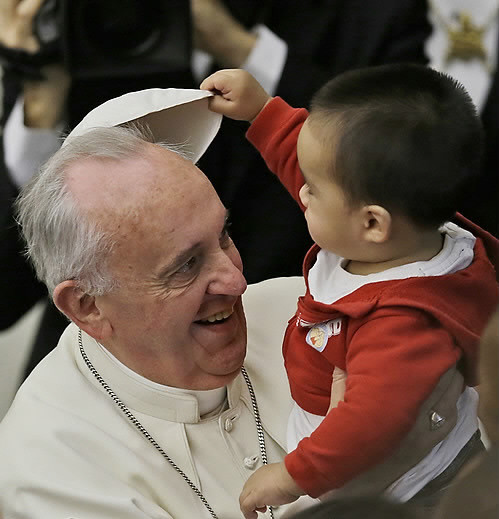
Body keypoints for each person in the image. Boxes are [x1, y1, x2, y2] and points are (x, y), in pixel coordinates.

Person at [0, 0, 432, 380]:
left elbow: (413, 188)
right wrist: (39, 102)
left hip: (301, 356)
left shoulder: (375, 14)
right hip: (108, 379)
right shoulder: (77, 20)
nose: (230, 276)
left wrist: (246, 52)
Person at [199, 67, 499, 518]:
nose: (299, 189)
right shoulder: (399, 229)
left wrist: (290, 476)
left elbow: (369, 426)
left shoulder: (403, 322)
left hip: (409, 485)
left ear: (373, 223)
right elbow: (320, 162)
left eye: (313, 191)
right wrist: (262, 112)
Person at [0, 88, 307, 518]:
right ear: (88, 306)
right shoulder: (50, 473)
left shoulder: (304, 312)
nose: (237, 282)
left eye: (224, 235)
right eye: (186, 266)